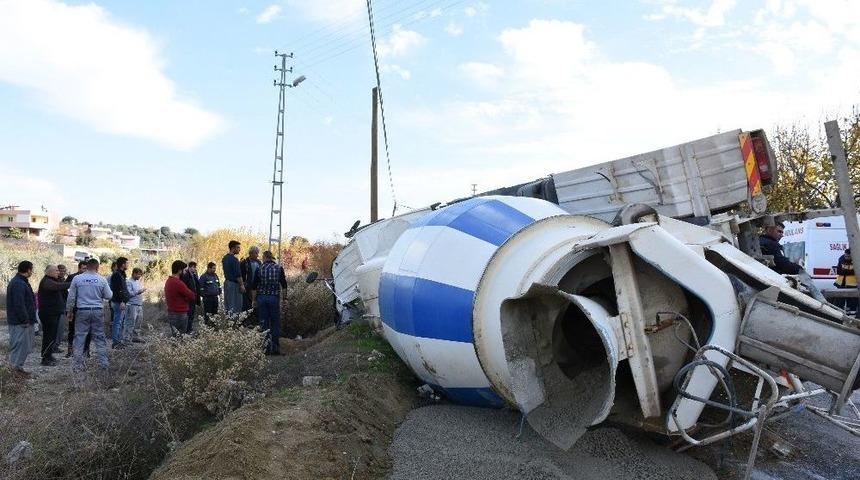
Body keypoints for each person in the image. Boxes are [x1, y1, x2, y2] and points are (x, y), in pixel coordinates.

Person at [66, 258, 113, 372]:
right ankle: (104, 365)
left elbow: (71, 297)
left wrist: (69, 311)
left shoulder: (77, 278)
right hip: (97, 310)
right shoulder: (101, 279)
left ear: (86, 266)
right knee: (99, 337)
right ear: (97, 267)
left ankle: (77, 366)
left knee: (79, 337)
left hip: (82, 310)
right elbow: (109, 296)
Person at [252, 251, 288, 355]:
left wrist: (254, 300)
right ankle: (275, 348)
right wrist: (285, 299)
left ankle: (266, 349)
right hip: (274, 298)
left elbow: (254, 286)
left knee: (264, 323)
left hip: (262, 298)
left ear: (264, 257)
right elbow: (284, 285)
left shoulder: (259, 268)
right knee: (275, 323)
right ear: (271, 258)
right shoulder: (279, 268)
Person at [5, 261, 37, 375]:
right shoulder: (18, 283)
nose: (32, 272)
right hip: (20, 322)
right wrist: (24, 319)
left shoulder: (21, 282)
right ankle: (14, 372)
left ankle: (17, 369)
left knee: (24, 347)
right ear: (28, 270)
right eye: (31, 269)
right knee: (19, 346)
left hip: (22, 320)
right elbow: (19, 303)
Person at [37, 265, 70, 366]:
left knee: (52, 336)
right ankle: (45, 358)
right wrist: (73, 283)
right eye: (56, 271)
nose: (58, 272)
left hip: (53, 313)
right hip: (48, 314)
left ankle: (49, 355)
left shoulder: (52, 280)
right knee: (48, 336)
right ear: (49, 272)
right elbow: (58, 286)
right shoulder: (47, 281)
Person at [65, 260, 91, 357]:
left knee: (88, 331)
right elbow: (67, 293)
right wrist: (69, 309)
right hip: (75, 308)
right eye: (84, 268)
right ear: (79, 268)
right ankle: (70, 351)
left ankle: (86, 351)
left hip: (86, 308)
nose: (85, 270)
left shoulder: (90, 278)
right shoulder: (73, 277)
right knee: (72, 330)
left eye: (86, 269)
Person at [164, 260, 197, 336]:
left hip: (171, 312)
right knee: (181, 337)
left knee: (175, 336)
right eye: (184, 270)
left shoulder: (169, 281)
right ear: (179, 270)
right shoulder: (178, 283)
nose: (185, 272)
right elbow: (192, 296)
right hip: (180, 314)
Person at [109, 257, 131, 349]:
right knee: (117, 323)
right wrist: (122, 301)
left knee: (119, 322)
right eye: (127, 263)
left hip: (120, 302)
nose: (128, 265)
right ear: (122, 264)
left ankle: (118, 341)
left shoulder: (121, 274)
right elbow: (118, 289)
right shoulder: (117, 275)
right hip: (118, 302)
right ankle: (115, 343)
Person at [222, 240, 245, 314]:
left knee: (228, 305)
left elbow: (229, 269)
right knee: (235, 306)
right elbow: (238, 274)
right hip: (234, 285)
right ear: (233, 248)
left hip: (227, 283)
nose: (239, 249)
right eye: (238, 247)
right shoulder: (234, 260)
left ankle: (228, 320)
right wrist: (242, 285)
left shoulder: (225, 258)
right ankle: (234, 320)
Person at [241, 246, 262, 320]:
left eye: (257, 253)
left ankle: (255, 320)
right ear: (251, 253)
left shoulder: (259, 262)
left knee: (256, 304)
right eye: (256, 253)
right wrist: (243, 284)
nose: (257, 255)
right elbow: (241, 275)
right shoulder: (244, 262)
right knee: (246, 305)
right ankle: (246, 320)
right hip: (247, 287)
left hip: (256, 287)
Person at [125, 267, 146, 343]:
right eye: (138, 274)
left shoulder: (138, 282)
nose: (139, 276)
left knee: (138, 321)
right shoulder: (128, 282)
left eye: (140, 275)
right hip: (132, 305)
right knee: (131, 322)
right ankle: (127, 338)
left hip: (139, 304)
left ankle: (135, 337)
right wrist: (139, 292)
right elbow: (129, 293)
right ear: (134, 273)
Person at [180, 261, 201, 333]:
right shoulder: (186, 276)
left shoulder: (194, 276)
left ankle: (190, 328)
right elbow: (184, 287)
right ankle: (187, 330)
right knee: (188, 315)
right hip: (188, 299)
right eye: (193, 267)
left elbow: (197, 286)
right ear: (189, 267)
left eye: (195, 267)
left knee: (192, 314)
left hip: (193, 298)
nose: (195, 269)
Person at [835, 248, 857, 313]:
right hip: (842, 282)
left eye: (848, 256)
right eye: (846, 256)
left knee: (852, 300)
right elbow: (838, 271)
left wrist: (845, 271)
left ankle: (851, 312)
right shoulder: (841, 259)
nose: (846, 257)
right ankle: (840, 312)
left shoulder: (856, 259)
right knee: (840, 299)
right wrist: (850, 271)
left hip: (851, 283)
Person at [54, 264, 68, 354]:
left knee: (60, 329)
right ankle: (54, 346)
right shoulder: (56, 281)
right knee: (57, 329)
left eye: (64, 271)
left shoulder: (63, 280)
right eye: (60, 271)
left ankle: (56, 345)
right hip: (57, 309)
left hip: (62, 307)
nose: (62, 272)